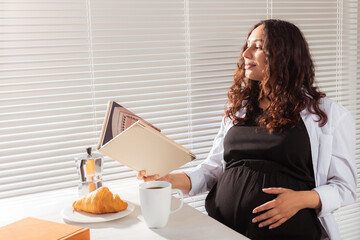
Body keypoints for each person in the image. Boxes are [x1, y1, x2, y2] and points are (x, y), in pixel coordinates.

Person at [138, 19, 357, 240]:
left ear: (284, 54)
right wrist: (167, 179)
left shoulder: (327, 115)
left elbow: (345, 188)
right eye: (247, 46)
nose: (245, 54)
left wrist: (303, 199)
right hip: (223, 231)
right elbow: (212, 170)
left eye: (258, 47)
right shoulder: (238, 110)